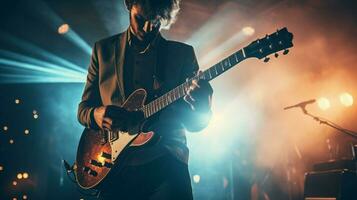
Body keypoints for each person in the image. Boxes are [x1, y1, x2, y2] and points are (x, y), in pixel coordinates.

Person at [77, 0, 213, 199]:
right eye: (140, 19)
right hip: (114, 170)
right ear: (128, 4)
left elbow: (194, 125)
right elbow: (82, 110)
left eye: (156, 20)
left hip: (166, 165)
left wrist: (202, 106)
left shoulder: (182, 54)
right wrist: (96, 115)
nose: (148, 27)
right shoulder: (103, 50)